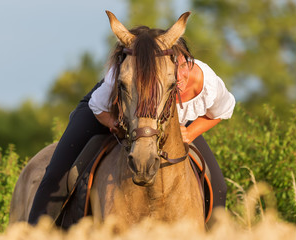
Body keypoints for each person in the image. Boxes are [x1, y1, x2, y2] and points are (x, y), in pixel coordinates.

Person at [28, 26, 235, 225]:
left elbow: (222, 111)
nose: (180, 76)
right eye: (176, 67)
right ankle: (36, 230)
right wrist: (115, 124)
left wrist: (189, 132)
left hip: (168, 121)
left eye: (184, 66)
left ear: (190, 62)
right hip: (107, 109)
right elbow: (98, 107)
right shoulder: (125, 76)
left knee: (219, 188)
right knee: (58, 173)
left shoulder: (207, 82)